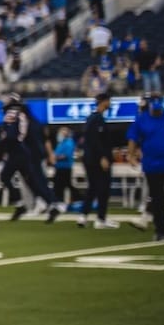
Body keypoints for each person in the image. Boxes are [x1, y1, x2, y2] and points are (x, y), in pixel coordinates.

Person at [128, 92, 164, 242]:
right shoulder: (141, 120)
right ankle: (161, 231)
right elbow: (133, 138)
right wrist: (131, 155)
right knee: (157, 199)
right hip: (152, 165)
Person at [0, 94, 62, 222]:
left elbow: (12, 136)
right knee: (34, 183)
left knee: (5, 176)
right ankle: (52, 204)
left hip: (18, 152)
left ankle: (20, 204)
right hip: (26, 153)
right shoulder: (27, 116)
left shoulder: (13, 114)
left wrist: (3, 143)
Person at [79, 92, 118, 229]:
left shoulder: (91, 118)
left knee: (92, 188)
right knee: (103, 188)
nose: (110, 103)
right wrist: (103, 157)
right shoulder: (97, 119)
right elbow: (96, 141)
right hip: (97, 160)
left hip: (89, 159)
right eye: (109, 100)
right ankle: (100, 218)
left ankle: (83, 216)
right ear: (104, 101)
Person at [51, 127, 77, 216]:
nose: (60, 134)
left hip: (65, 168)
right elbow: (55, 153)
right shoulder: (61, 143)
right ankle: (59, 203)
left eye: (62, 132)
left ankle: (78, 200)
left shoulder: (69, 142)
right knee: (59, 186)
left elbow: (66, 155)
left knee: (65, 185)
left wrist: (55, 157)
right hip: (59, 167)